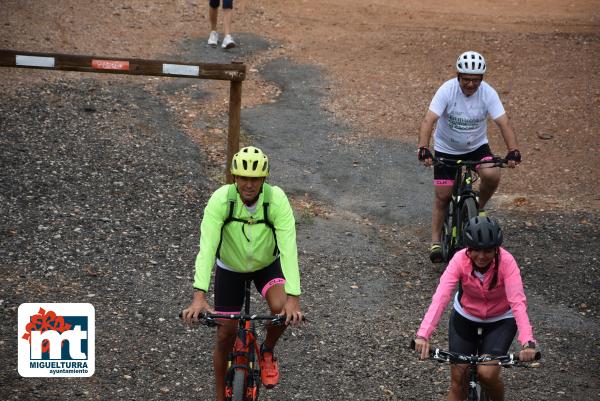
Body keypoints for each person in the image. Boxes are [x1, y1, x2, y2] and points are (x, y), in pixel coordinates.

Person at [181, 146, 303, 401]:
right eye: (243, 178)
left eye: (255, 178)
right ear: (234, 177)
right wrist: (199, 296)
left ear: (264, 179)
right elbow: (207, 247)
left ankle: (267, 351)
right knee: (225, 333)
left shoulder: (276, 200)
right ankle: (218, 395)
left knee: (281, 310)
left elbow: (289, 248)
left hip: (266, 266)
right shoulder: (221, 200)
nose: (249, 184)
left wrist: (294, 298)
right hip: (230, 268)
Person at [413, 216, 538, 401]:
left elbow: (518, 303)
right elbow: (441, 297)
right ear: (468, 249)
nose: (481, 256)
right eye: (476, 250)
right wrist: (423, 335)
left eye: (488, 251)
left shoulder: (507, 262)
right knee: (459, 380)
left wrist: (528, 342)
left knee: (487, 373)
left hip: (500, 319)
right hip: (466, 316)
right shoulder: (458, 260)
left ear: (496, 249)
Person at [417, 50, 522, 263]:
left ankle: (479, 207)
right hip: (446, 149)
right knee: (443, 196)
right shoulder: (447, 90)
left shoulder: (488, 93)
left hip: (477, 147)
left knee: (492, 174)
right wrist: (423, 148)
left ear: (481, 79)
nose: (471, 84)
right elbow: (429, 120)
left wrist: (513, 150)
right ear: (458, 76)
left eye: (475, 80)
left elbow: (503, 123)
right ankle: (436, 240)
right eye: (466, 79)